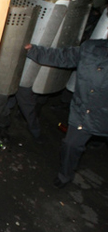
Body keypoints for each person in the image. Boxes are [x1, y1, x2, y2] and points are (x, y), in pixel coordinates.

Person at [25, 41, 108, 189]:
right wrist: (33, 50)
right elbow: (61, 56)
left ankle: (98, 142)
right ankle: (65, 175)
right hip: (84, 113)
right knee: (71, 145)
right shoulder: (91, 48)